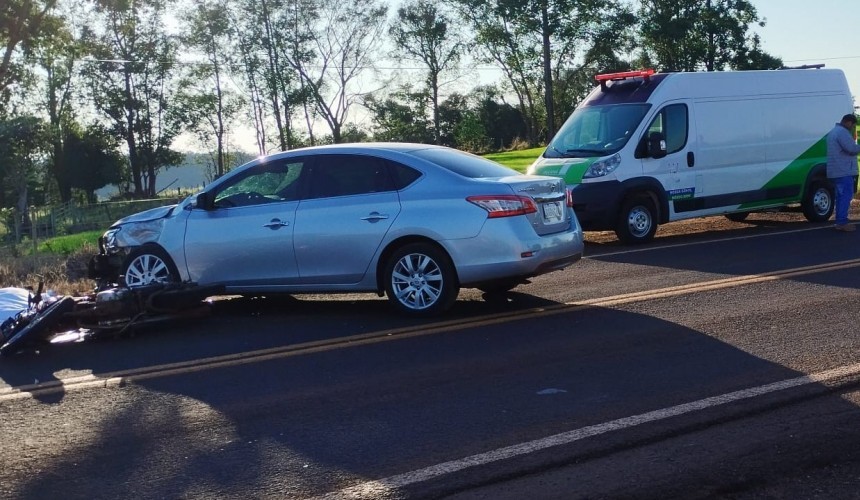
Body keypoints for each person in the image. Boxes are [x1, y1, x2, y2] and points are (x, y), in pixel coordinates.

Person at [827, 113, 860, 231]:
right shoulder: (842, 133)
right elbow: (851, 148)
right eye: (852, 125)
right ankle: (842, 222)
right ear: (848, 122)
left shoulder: (833, 132)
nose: (852, 127)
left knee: (840, 196)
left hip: (835, 170)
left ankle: (840, 221)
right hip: (843, 170)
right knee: (845, 196)